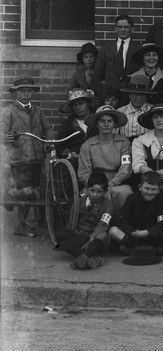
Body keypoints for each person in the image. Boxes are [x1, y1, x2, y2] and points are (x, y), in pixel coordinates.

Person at [2, 77, 54, 236]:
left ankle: (21, 225)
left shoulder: (37, 111)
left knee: (34, 193)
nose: (26, 94)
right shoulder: (8, 111)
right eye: (22, 91)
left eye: (29, 91)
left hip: (36, 157)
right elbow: (2, 132)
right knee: (26, 192)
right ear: (15, 93)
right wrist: (10, 137)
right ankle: (8, 194)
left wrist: (49, 141)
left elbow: (48, 128)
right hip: (18, 158)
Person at [77, 105, 133, 211]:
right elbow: (84, 172)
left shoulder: (123, 142)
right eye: (102, 121)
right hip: (94, 184)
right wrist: (96, 185)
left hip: (117, 183)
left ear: (115, 124)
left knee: (124, 193)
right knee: (90, 195)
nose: (106, 124)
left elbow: (126, 167)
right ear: (97, 124)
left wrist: (113, 182)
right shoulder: (88, 145)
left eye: (110, 121)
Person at [55, 173, 113, 270]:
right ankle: (92, 259)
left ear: (105, 191)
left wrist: (92, 238)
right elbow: (72, 221)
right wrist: (72, 234)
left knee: (103, 235)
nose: (95, 195)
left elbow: (103, 224)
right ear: (86, 188)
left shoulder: (108, 205)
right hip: (81, 237)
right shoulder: (79, 202)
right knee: (62, 234)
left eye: (99, 192)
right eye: (92, 190)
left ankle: (84, 257)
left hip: (95, 240)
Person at [109, 171, 163, 251]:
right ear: (140, 187)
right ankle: (153, 250)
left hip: (153, 236)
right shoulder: (131, 198)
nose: (149, 192)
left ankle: (134, 249)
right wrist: (132, 232)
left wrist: (146, 232)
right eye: (147, 188)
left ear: (159, 190)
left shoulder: (162, 201)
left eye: (154, 189)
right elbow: (121, 219)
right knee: (113, 231)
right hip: (134, 235)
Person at [94, 14, 141, 102]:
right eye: (120, 27)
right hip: (109, 93)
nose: (123, 30)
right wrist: (103, 86)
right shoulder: (106, 48)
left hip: (130, 93)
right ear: (115, 29)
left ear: (132, 29)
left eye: (126, 27)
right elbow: (98, 73)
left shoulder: (138, 49)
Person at [130, 41, 163, 106]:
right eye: (148, 55)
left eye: (154, 55)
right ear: (142, 58)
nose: (151, 58)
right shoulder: (132, 78)